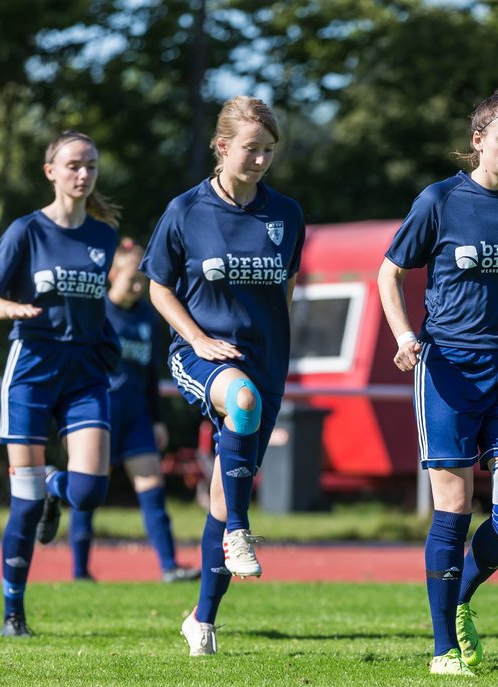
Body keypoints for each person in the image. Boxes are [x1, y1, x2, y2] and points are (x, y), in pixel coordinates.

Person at [377, 89, 498, 676]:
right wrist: (405, 336)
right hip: (449, 372)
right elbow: (389, 273)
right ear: (478, 140)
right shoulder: (439, 200)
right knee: (453, 507)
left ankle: (459, 595)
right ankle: (442, 649)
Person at [142, 96, 305, 656]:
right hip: (203, 356)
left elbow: (284, 291)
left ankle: (202, 619)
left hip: (267, 364)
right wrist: (197, 339)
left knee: (221, 488)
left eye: (268, 151)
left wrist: (282, 353)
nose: (260, 160)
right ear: (221, 147)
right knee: (241, 401)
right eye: (250, 149)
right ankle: (241, 530)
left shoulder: (286, 215)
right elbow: (159, 286)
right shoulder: (185, 211)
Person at [0, 130, 120, 638]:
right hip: (32, 367)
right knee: (24, 501)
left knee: (90, 491)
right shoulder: (25, 230)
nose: (84, 174)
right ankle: (14, 612)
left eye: (92, 166)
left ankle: (60, 484)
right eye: (74, 165)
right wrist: (10, 307)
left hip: (84, 373)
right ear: (50, 171)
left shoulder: (103, 237)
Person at [67, 238, 201, 584]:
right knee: (88, 491)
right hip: (99, 415)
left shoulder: (146, 317)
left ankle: (170, 566)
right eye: (132, 279)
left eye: (143, 279)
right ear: (112, 275)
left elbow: (150, 376)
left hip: (137, 417)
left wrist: (157, 419)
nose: (140, 285)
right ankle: (80, 572)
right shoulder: (95, 311)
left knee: (153, 488)